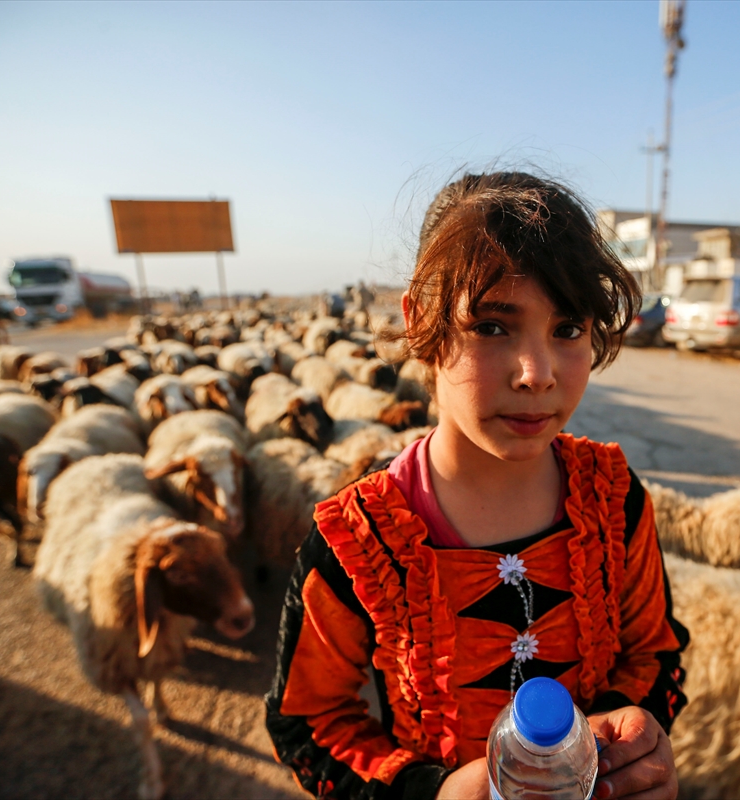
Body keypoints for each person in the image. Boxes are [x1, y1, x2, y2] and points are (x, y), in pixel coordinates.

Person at [266, 172, 687, 800]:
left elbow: (656, 653)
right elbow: (306, 721)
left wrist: (635, 737)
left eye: (568, 328)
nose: (537, 373)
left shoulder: (615, 500)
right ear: (419, 322)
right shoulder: (359, 540)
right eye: (493, 326)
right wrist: (430, 793)